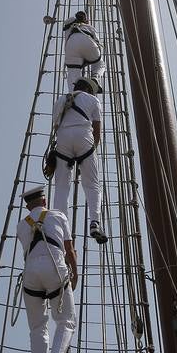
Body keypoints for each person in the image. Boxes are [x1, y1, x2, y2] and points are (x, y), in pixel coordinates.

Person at [17, 185, 78, 353]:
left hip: (30, 273)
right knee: (66, 320)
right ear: (44, 201)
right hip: (54, 267)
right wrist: (75, 273)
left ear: (28, 205)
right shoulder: (57, 215)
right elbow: (69, 249)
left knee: (37, 328)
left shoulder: (21, 226)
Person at [51, 77, 108, 244]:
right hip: (84, 139)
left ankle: (60, 228)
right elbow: (97, 130)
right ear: (90, 90)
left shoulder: (60, 100)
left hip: (63, 140)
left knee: (61, 187)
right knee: (92, 184)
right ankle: (95, 223)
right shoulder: (93, 100)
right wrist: (90, 153)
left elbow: (56, 126)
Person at [63, 10, 105, 92]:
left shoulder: (69, 25)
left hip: (71, 46)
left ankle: (74, 94)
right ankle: (95, 78)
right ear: (86, 20)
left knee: (72, 72)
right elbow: (97, 42)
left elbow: (67, 24)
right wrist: (93, 57)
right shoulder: (90, 27)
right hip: (88, 41)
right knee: (100, 63)